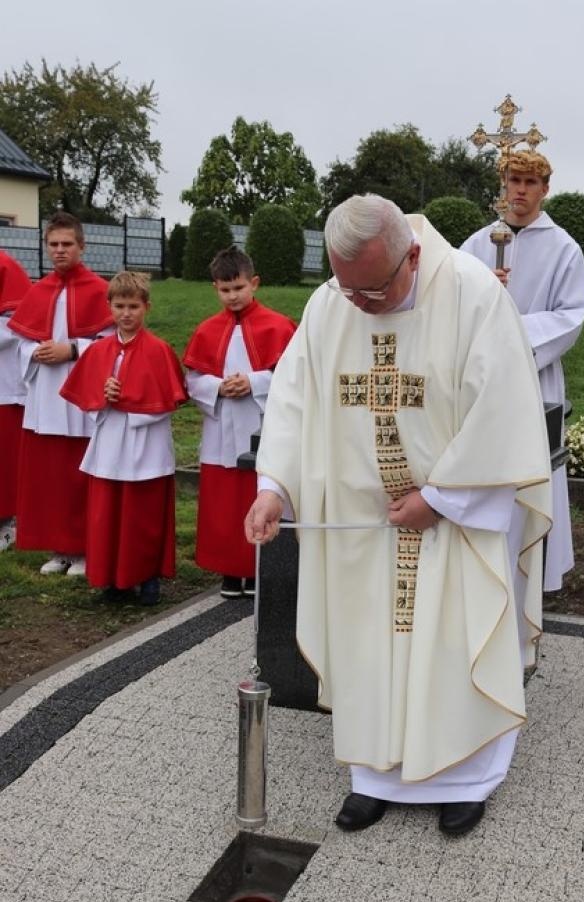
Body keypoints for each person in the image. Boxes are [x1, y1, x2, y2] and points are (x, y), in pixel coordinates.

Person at [245, 194, 551, 837]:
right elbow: (296, 398)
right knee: (369, 646)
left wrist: (438, 499)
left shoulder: (471, 295)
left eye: (373, 290)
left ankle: (467, 780)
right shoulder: (332, 302)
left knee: (451, 644)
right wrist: (274, 485)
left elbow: (502, 410)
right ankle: (374, 776)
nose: (359, 305)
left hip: (453, 515)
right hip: (364, 525)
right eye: (348, 289)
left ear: (411, 255)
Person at [461, 150, 584, 592]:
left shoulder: (563, 249)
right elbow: (450, 304)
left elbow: (572, 315)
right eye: (514, 180)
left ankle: (533, 572)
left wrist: (511, 325)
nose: (520, 190)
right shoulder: (477, 245)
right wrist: (482, 297)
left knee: (532, 473)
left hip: (533, 380)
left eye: (530, 183)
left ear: (545, 189)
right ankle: (481, 558)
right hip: (480, 379)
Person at [60, 272, 185, 605]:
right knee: (108, 514)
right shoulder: (99, 351)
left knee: (142, 516)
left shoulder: (158, 350)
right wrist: (102, 396)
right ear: (109, 307)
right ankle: (113, 579)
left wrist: (127, 397)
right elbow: (86, 398)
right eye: (119, 306)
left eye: (133, 306)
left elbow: (166, 403)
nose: (126, 313)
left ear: (146, 307)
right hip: (110, 442)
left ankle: (147, 578)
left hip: (146, 445)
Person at [183, 246, 296, 598]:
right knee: (223, 501)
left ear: (254, 284)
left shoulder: (277, 326)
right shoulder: (206, 330)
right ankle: (230, 571)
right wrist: (218, 386)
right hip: (221, 426)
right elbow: (193, 379)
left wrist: (254, 382)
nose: (232, 296)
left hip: (261, 421)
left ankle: (259, 568)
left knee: (259, 491)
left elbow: (292, 376)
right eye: (224, 289)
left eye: (238, 288)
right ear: (215, 288)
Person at [8, 213, 114, 576]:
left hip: (79, 399)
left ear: (82, 246)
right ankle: (60, 550)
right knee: (50, 475)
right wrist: (32, 353)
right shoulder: (39, 290)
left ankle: (84, 549)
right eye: (53, 244)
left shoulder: (101, 291)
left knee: (77, 474)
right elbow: (19, 342)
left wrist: (71, 350)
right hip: (45, 397)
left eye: (67, 244)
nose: (59, 251)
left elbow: (111, 342)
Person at [0, 250, 32, 550]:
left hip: (4, 383)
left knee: (5, 456)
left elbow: (17, 323)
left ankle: (8, 522)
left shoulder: (5, 266)